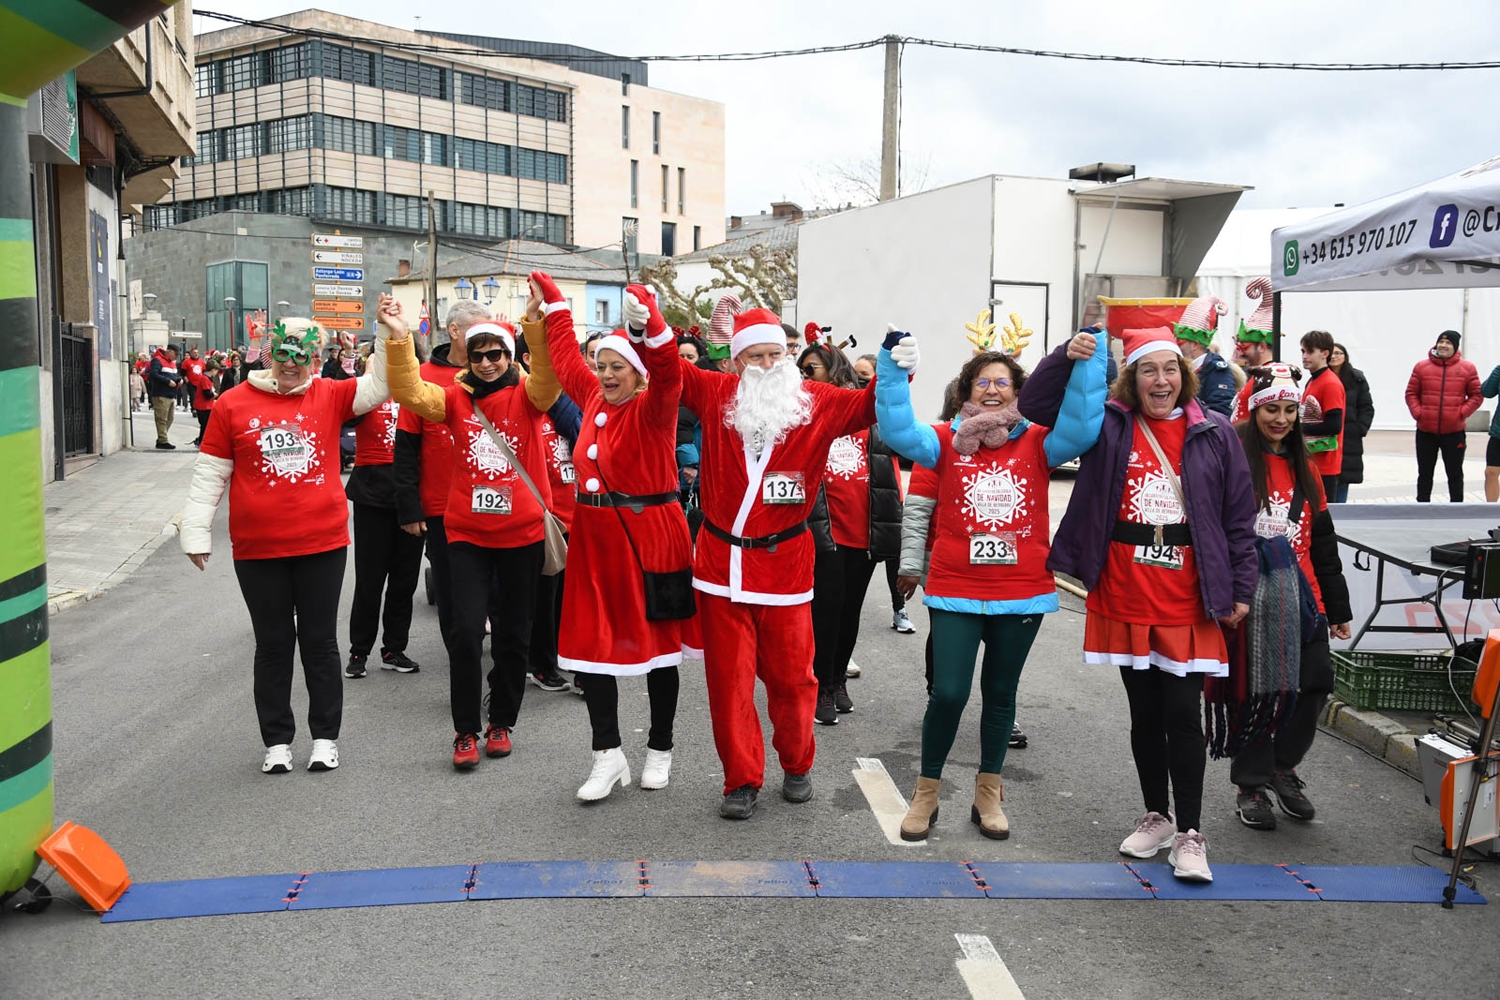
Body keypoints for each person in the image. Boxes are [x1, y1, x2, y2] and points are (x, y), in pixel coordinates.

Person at [1019, 325, 1257, 883]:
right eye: (1149, 370)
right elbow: (1035, 405)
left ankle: (1192, 833)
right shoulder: (1107, 424)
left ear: (1186, 375)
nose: (1161, 380)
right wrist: (1065, 356)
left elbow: (1239, 520)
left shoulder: (1217, 433)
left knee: (1183, 713)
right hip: (1124, 589)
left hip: (1189, 595)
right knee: (1144, 714)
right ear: (1132, 378)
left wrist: (1240, 589)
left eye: (1170, 369)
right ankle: (1158, 816)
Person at [878, 330, 1106, 841]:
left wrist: (1091, 358)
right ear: (965, 393)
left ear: (1017, 392)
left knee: (1001, 695)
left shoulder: (1041, 442)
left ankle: (988, 792)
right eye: (982, 382)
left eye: (1003, 383)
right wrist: (893, 370)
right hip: (957, 586)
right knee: (949, 692)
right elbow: (895, 428)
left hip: (1021, 589)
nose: (992, 390)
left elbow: (1085, 422)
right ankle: (927, 791)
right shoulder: (941, 442)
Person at [677, 305, 878, 819]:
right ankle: (741, 778)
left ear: (788, 355)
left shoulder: (817, 402)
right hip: (721, 568)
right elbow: (665, 368)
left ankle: (796, 761)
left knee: (793, 679)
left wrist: (898, 371)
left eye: (776, 354)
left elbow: (873, 407)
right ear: (736, 362)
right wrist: (647, 326)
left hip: (786, 566)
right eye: (755, 357)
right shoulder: (717, 394)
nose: (767, 365)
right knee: (730, 684)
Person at [178, 313, 392, 774]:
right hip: (259, 549)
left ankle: (324, 738)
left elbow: (381, 384)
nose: (291, 365)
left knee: (318, 643)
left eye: (302, 357)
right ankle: (277, 742)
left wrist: (393, 333)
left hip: (322, 543)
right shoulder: (232, 404)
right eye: (284, 355)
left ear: (315, 359)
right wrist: (194, 531)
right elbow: (211, 472)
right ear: (269, 353)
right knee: (273, 644)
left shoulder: (330, 394)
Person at [520, 274, 696, 800]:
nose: (607, 374)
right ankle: (607, 755)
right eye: (603, 367)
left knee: (660, 653)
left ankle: (660, 749)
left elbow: (668, 373)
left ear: (639, 375)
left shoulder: (654, 407)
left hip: (651, 542)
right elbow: (566, 356)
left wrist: (653, 325)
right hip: (595, 544)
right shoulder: (593, 400)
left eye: (619, 367)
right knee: (593, 651)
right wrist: (553, 304)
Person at [384, 299, 561, 770]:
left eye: (495, 354)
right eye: (477, 355)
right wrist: (401, 336)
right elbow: (406, 389)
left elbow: (548, 375)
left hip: (521, 533)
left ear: (509, 355)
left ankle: (501, 720)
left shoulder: (529, 396)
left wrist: (535, 325)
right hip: (466, 533)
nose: (485, 363)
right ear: (468, 356)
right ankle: (465, 730)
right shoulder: (453, 399)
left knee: (512, 634)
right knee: (464, 632)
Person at [1228, 363, 1352, 831]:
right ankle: (1252, 784)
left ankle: (1283, 765)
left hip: (1305, 598)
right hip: (1252, 598)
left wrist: (1336, 609)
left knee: (1316, 681)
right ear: (1254, 410)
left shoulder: (1308, 468)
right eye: (1271, 410)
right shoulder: (1235, 459)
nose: (1280, 419)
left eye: (1288, 410)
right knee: (1260, 692)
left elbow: (1322, 542)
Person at [799, 341, 902, 723]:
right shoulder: (804, 413)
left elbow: (893, 453)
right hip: (824, 528)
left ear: (833, 368)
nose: (805, 375)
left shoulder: (863, 410)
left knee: (850, 610)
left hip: (865, 527)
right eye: (802, 369)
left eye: (812, 368)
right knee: (825, 608)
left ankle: (838, 677)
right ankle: (821, 683)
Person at [393, 301, 489, 666]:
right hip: (442, 506)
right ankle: (463, 662)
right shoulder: (426, 377)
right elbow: (405, 446)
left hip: (497, 504)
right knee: (452, 594)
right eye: (479, 331)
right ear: (454, 331)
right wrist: (409, 507)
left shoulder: (497, 371)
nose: (487, 343)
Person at [343, 378, 425, 679]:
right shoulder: (369, 395)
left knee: (404, 581)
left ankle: (394, 649)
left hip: (412, 497)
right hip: (372, 495)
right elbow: (346, 412)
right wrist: (357, 368)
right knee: (369, 580)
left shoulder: (419, 394)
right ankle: (359, 650)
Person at [514, 329, 581, 694]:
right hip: (542, 516)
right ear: (530, 362)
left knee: (569, 597)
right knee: (542, 596)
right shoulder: (522, 403)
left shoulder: (568, 403)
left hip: (576, 511)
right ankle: (539, 662)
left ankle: (564, 658)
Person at [855, 352, 916, 638]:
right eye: (854, 374)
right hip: (855, 510)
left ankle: (899, 608)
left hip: (888, 504)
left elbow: (909, 451)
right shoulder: (847, 415)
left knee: (895, 559)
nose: (857, 382)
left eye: (865, 377)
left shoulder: (886, 418)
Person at [1406, 330, 1482, 502]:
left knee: (1455, 473)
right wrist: (1419, 413)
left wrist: (1461, 413)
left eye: (1448, 343)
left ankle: (1457, 509)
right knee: (1425, 473)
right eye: (1441, 342)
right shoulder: (1421, 367)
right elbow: (1411, 393)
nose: (1443, 346)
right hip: (1426, 430)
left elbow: (1477, 395)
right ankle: (1422, 507)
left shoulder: (1467, 368)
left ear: (1455, 347)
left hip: (1454, 432)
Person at [1298, 330, 1346, 501]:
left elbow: (1334, 425)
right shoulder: (1313, 380)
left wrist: (1298, 428)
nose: (1304, 356)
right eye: (1303, 351)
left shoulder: (1330, 383)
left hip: (1324, 464)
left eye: (1310, 351)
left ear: (1325, 353)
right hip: (1312, 460)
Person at [1172, 296, 1236, 416]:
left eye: (1179, 342)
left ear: (1195, 345)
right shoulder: (1181, 368)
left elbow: (1221, 410)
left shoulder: (1216, 370)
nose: (1176, 346)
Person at [1328, 343, 1373, 503]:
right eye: (1331, 353)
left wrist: (1360, 428)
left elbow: (1367, 407)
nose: (1334, 356)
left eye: (1338, 353)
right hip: (1328, 434)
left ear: (1345, 356)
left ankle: (1340, 512)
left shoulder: (1357, 378)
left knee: (1344, 477)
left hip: (1349, 436)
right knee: (1328, 478)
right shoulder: (1320, 376)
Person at [1230, 278, 1278, 423]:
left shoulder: (1272, 377)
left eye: (1244, 347)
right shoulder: (1259, 374)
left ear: (1262, 346)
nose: (1241, 353)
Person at [147, 345, 182, 449]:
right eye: (175, 354)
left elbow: (173, 376)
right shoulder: (157, 360)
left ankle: (161, 438)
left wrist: (178, 380)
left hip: (171, 394)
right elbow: (153, 374)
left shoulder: (172, 363)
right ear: (169, 351)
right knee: (162, 419)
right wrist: (167, 381)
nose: (176, 357)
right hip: (161, 394)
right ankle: (163, 440)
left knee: (169, 419)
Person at [186, 357, 219, 447]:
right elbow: (207, 394)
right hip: (203, 406)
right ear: (213, 370)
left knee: (205, 425)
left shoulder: (205, 378)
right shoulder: (205, 379)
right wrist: (214, 395)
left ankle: (202, 441)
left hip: (205, 405)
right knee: (205, 425)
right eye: (216, 371)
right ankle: (201, 441)